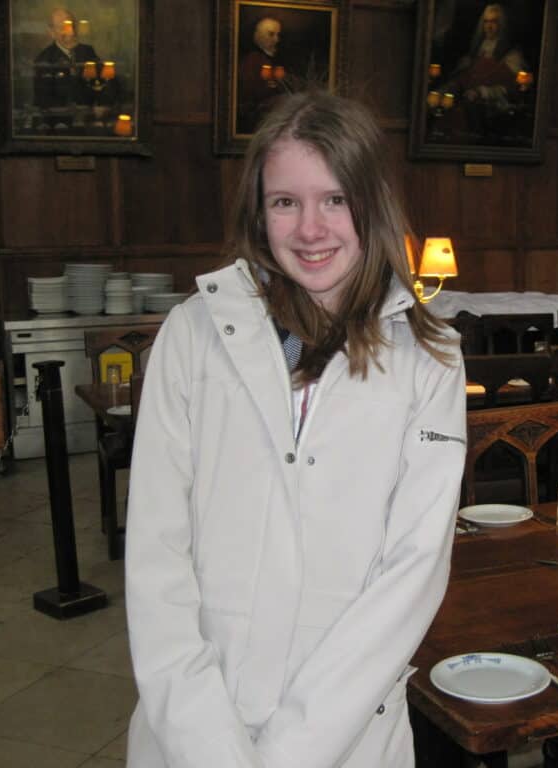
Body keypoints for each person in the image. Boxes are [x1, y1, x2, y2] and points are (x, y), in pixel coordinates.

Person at [124, 91, 467, 767]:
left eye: (335, 199)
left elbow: (411, 575)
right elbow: (155, 559)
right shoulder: (191, 336)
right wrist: (209, 745)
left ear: (372, 201)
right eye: (286, 202)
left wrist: (289, 752)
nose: (311, 228)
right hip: (192, 727)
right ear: (259, 210)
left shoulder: (432, 359)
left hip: (347, 736)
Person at [438, 3, 529, 141]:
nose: (489, 26)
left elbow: (511, 89)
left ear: (500, 24)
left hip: (491, 107)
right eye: (486, 21)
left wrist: (481, 91)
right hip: (467, 99)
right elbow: (465, 77)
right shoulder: (477, 50)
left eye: (493, 21)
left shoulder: (510, 55)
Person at [237, 17, 301, 134]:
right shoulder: (252, 60)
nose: (276, 40)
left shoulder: (273, 59)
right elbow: (252, 95)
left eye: (277, 35)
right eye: (271, 35)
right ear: (259, 36)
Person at [33, 7, 100, 117]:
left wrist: (102, 104)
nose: (71, 32)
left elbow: (102, 83)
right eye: (63, 27)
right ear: (51, 32)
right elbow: (43, 101)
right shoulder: (44, 59)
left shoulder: (88, 51)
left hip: (89, 117)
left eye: (72, 26)